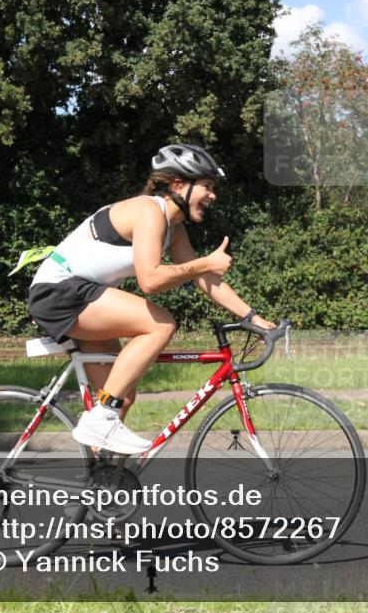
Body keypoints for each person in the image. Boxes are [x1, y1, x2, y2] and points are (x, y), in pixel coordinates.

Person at [25, 144, 276, 454]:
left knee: (120, 396)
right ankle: (100, 420)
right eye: (208, 186)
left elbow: (205, 279)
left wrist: (252, 317)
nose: (213, 195)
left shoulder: (175, 229)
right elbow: (151, 280)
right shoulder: (149, 211)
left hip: (80, 293)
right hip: (59, 292)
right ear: (179, 186)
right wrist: (205, 262)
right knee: (160, 325)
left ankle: (94, 487)